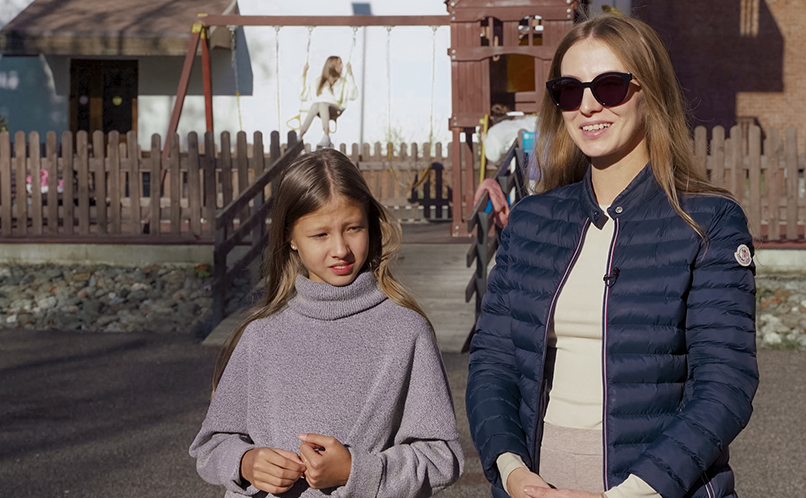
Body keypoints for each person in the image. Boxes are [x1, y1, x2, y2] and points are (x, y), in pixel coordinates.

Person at [466, 13, 757, 498]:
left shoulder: (708, 222)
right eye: (569, 91)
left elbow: (725, 385)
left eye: (610, 86)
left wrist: (632, 493)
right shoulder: (532, 220)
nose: (588, 106)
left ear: (650, 92)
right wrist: (512, 471)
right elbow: (493, 363)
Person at [190, 148, 463, 497]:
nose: (340, 249)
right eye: (320, 235)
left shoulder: (406, 332)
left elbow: (442, 458)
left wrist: (355, 471)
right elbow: (211, 444)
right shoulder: (261, 333)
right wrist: (245, 462)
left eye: (353, 228)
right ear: (290, 238)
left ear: (371, 225)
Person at [299, 56, 359, 149]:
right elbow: (303, 96)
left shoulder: (342, 82)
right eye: (339, 63)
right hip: (320, 109)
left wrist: (350, 75)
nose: (342, 66)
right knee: (315, 105)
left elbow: (353, 95)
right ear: (332, 66)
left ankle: (326, 135)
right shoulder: (318, 82)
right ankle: (300, 135)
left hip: (336, 109)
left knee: (322, 104)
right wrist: (304, 74)